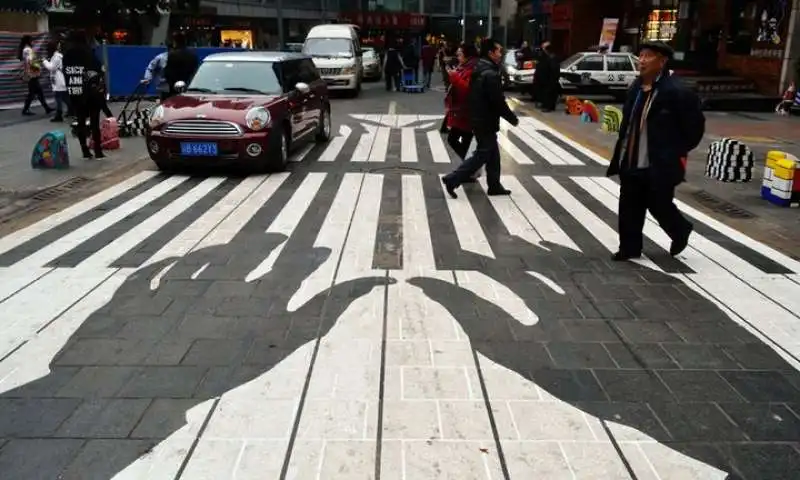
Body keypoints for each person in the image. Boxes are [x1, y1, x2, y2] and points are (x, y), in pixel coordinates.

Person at [606, 41, 705, 262]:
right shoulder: (635, 88)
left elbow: (694, 128)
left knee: (659, 204)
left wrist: (674, 151)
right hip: (631, 158)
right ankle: (629, 247)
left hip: (659, 162)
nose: (641, 60)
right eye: (640, 55)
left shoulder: (677, 92)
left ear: (662, 61)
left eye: (648, 56)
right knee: (629, 205)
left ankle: (680, 229)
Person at [442, 38, 518, 199]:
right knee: (482, 154)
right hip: (485, 120)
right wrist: (512, 118)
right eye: (498, 50)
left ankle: (494, 185)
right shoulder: (489, 73)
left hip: (479, 118)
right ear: (491, 53)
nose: (501, 53)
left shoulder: (481, 67)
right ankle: (452, 179)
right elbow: (497, 101)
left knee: (493, 154)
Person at [63, 29, 105, 159]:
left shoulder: (68, 54)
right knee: (94, 121)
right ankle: (98, 150)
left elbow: (66, 72)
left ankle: (84, 150)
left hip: (76, 91)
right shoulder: (89, 52)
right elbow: (99, 69)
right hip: (91, 92)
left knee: (80, 120)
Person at [445, 43, 479, 162]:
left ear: (467, 55)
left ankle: (471, 164)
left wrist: (454, 76)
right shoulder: (464, 66)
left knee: (455, 139)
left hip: (467, 112)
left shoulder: (473, 68)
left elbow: (466, 89)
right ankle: (469, 166)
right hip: (461, 111)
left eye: (460, 54)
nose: (458, 57)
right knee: (463, 141)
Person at [18, 35, 53, 117]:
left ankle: (46, 108)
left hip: (31, 73)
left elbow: (29, 61)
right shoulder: (28, 49)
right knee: (33, 93)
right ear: (29, 41)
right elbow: (30, 61)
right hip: (32, 74)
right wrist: (39, 61)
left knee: (38, 91)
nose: (33, 42)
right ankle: (26, 110)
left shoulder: (26, 49)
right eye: (32, 40)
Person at [43, 40, 67, 122]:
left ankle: (59, 115)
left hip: (59, 80)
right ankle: (72, 111)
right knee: (64, 97)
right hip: (58, 80)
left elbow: (51, 67)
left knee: (58, 98)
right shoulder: (55, 56)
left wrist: (45, 61)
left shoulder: (56, 57)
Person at [533, 41, 560, 112]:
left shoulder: (552, 57)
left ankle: (548, 106)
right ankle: (547, 105)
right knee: (546, 92)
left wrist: (552, 79)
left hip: (549, 79)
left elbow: (553, 70)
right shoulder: (543, 56)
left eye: (544, 47)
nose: (543, 49)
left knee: (549, 92)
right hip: (544, 79)